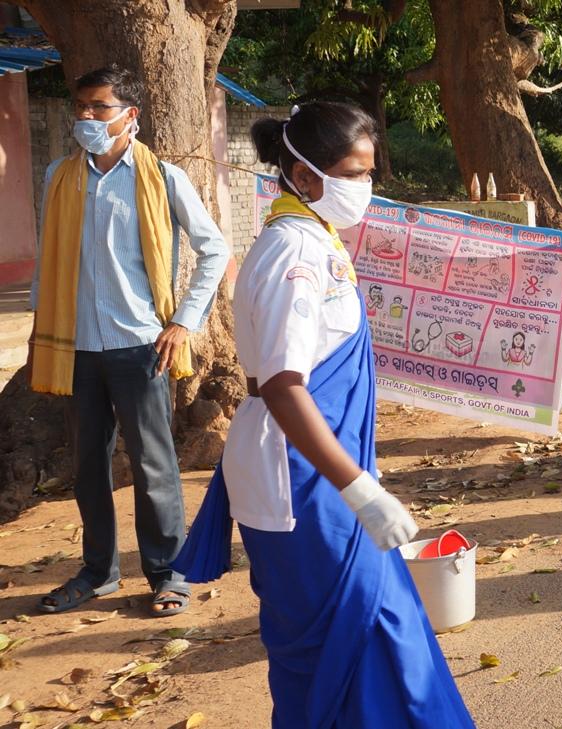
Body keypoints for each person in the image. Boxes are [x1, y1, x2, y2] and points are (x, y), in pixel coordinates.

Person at [172, 102, 476, 729]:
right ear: (305, 176)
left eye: (369, 172)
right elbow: (284, 387)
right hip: (304, 483)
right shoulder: (294, 255)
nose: (365, 187)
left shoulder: (316, 240)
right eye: (353, 173)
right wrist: (359, 488)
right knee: (344, 643)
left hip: (324, 472)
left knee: (378, 634)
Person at [29, 65, 228, 617]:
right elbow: (51, 261)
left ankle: (167, 572)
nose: (87, 118)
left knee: (153, 463)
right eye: (82, 108)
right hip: (76, 345)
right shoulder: (60, 176)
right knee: (87, 463)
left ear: (130, 115)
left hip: (141, 343)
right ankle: (98, 571)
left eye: (99, 107)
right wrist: (41, 328)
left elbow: (214, 250)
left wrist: (184, 320)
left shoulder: (162, 178)